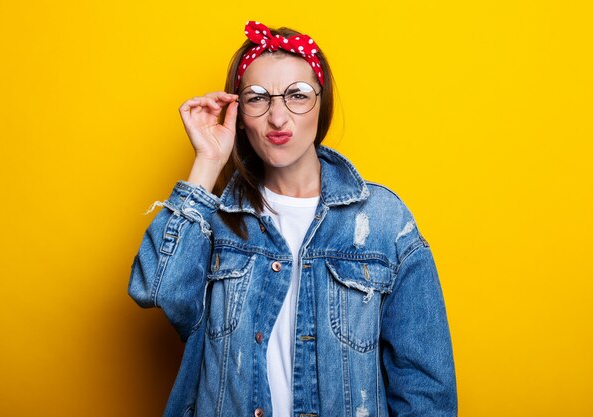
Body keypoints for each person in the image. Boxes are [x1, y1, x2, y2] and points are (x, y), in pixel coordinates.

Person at [128, 21, 457, 417]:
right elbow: (156, 290)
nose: (278, 117)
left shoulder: (384, 222)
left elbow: (425, 387)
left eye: (297, 95)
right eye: (257, 98)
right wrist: (208, 162)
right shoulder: (213, 222)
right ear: (238, 113)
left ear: (322, 103)